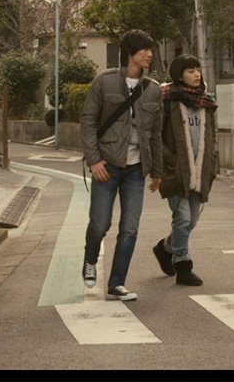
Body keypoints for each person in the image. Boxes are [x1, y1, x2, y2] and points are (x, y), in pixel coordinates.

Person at [80, 29, 163, 301]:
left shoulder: (153, 89)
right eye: (144, 50)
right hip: (107, 165)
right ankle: (90, 259)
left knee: (129, 229)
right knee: (99, 224)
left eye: (151, 50)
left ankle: (116, 283)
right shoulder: (104, 82)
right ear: (130, 53)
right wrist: (94, 160)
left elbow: (156, 134)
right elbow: (88, 122)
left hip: (136, 170)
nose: (149, 54)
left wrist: (157, 171)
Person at [151, 54, 218, 286]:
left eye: (198, 69)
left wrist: (211, 162)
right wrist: (169, 161)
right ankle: (183, 264)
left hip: (199, 171)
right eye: (190, 71)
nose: (196, 74)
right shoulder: (167, 99)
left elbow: (211, 136)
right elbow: (156, 135)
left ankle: (165, 248)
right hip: (176, 171)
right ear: (179, 75)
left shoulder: (206, 102)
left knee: (191, 222)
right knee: (182, 218)